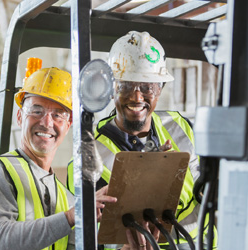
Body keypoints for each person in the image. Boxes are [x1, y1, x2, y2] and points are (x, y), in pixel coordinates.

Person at [67, 31, 217, 249]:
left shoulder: (179, 125)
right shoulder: (89, 157)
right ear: (111, 89)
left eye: (147, 87)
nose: (137, 97)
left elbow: (210, 183)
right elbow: (97, 238)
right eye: (126, 85)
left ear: (160, 90)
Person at [0, 67, 116, 250]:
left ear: (68, 124)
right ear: (20, 117)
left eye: (57, 114)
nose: (47, 123)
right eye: (36, 111)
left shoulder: (66, 198)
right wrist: (72, 216)